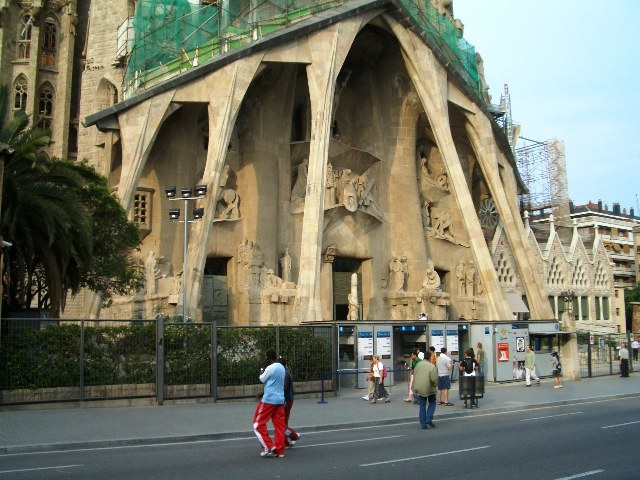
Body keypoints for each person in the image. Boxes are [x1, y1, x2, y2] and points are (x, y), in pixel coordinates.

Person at [253, 350, 286, 458]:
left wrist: (262, 368)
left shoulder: (271, 367)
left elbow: (262, 379)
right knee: (279, 426)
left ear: (267, 358)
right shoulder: (282, 367)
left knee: (257, 424)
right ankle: (280, 451)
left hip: (269, 400)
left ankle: (268, 446)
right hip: (280, 400)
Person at [413, 350, 439, 429]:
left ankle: (423, 424)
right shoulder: (432, 366)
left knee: (422, 405)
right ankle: (429, 418)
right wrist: (435, 385)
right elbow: (434, 379)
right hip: (429, 388)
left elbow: (415, 375)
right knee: (432, 402)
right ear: (430, 357)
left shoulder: (418, 365)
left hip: (419, 387)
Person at [279, 357, 300, 448]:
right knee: (283, 422)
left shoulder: (285, 374)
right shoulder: (286, 372)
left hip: (286, 400)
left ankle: (293, 435)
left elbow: (284, 389)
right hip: (288, 399)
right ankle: (286, 442)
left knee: (281, 423)